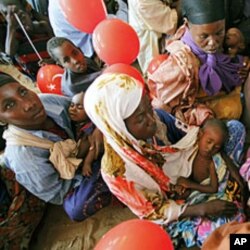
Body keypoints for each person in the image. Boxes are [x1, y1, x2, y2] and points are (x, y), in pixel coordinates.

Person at [84, 73, 247, 248]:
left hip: (197, 170)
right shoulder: (116, 171)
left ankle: (231, 193)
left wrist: (230, 167)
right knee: (228, 236)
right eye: (140, 118)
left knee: (234, 129)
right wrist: (204, 208)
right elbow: (154, 212)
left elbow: (195, 139)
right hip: (178, 206)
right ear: (118, 126)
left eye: (148, 106)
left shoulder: (158, 118)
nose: (151, 120)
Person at [0, 73, 111, 222]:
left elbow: (85, 109)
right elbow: (58, 193)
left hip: (88, 141)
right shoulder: (23, 156)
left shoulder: (47, 101)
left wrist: (98, 127)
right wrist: (85, 159)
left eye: (23, 91)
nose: (29, 104)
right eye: (9, 105)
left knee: (118, 114)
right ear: (1, 120)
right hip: (77, 175)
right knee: (76, 207)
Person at [148, 0, 250, 126]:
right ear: (187, 25)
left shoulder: (220, 40)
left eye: (219, 33)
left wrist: (240, 62)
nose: (213, 42)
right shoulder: (181, 65)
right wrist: (201, 116)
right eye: (204, 36)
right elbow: (164, 110)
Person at [166, 119, 229, 199]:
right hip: (190, 187)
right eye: (209, 142)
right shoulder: (192, 153)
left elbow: (213, 189)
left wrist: (190, 184)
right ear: (200, 135)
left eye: (216, 147)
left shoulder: (211, 164)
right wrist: (180, 186)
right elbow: (185, 172)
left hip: (199, 190)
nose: (210, 148)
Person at [0, 0, 53, 79]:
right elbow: (8, 58)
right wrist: (12, 26)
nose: (13, 14)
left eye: (17, 9)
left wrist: (53, 60)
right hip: (37, 78)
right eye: (7, 13)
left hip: (55, 68)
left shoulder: (43, 26)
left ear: (27, 9)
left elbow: (58, 44)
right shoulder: (15, 37)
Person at [127, 0, 181, 73]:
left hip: (158, 25)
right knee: (161, 73)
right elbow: (171, 22)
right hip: (152, 40)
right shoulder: (143, 3)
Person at [68, 91, 96, 176]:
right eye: (72, 105)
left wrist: (87, 163)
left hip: (86, 159)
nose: (73, 109)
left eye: (79, 107)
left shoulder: (90, 127)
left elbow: (93, 147)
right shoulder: (72, 123)